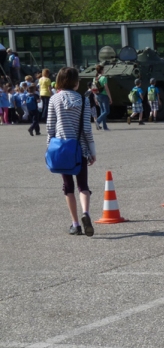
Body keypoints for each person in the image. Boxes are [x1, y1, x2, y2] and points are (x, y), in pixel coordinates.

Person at [46, 67, 96, 237]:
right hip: (79, 148)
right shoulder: (83, 100)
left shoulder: (54, 99)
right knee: (83, 185)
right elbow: (87, 130)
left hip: (61, 149)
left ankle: (75, 224)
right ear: (75, 82)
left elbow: (50, 127)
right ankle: (86, 213)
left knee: (68, 187)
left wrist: (49, 148)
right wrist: (92, 150)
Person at [93, 65, 111, 130]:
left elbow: (93, 88)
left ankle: (105, 127)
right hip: (104, 95)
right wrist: (110, 98)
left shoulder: (95, 78)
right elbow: (106, 88)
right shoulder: (104, 78)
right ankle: (98, 121)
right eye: (103, 69)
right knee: (107, 111)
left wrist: (95, 98)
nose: (104, 70)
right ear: (101, 70)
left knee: (102, 111)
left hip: (97, 95)